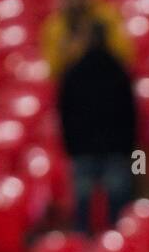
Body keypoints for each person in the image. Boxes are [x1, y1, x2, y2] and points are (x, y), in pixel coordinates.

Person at [56, 18, 137, 234]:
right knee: (117, 207)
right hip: (114, 149)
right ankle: (117, 244)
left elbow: (65, 115)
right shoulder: (118, 71)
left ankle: (83, 248)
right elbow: (130, 115)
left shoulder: (73, 72)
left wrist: (72, 147)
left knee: (83, 206)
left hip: (84, 149)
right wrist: (126, 146)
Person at [40, 0, 133, 79]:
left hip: (107, 81)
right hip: (73, 86)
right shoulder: (55, 27)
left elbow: (124, 57)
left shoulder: (107, 18)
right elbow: (54, 70)